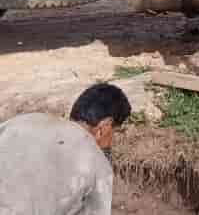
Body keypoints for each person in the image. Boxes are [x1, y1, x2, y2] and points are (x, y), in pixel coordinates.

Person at [0, 83, 132, 215]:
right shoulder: (97, 161)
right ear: (105, 127)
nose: (111, 142)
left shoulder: (17, 124)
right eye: (114, 133)